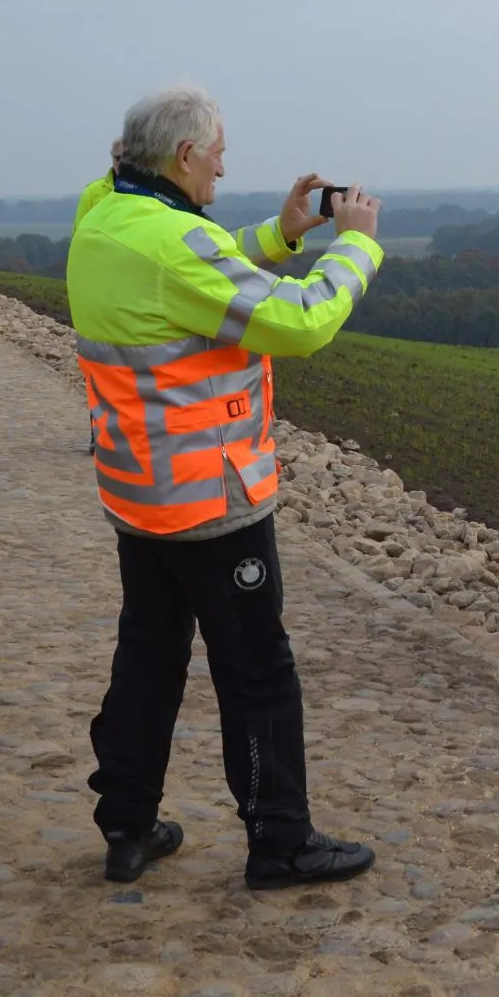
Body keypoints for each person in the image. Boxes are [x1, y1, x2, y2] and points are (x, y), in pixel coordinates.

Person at [68, 83, 386, 889]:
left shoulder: (102, 217)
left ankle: (126, 824)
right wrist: (353, 245)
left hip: (139, 495)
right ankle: (280, 840)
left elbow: (199, 267)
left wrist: (281, 234)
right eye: (215, 154)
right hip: (213, 499)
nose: (222, 166)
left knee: (148, 655)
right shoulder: (172, 243)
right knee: (256, 670)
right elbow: (300, 321)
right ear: (182, 155)